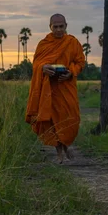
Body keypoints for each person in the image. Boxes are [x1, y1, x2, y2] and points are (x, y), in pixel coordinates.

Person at [25, 14, 86, 164]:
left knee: (71, 119)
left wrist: (71, 72)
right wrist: (43, 68)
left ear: (66, 26)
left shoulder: (73, 42)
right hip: (49, 89)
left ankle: (66, 145)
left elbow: (80, 62)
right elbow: (36, 65)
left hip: (66, 87)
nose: (58, 30)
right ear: (50, 27)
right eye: (55, 27)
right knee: (52, 121)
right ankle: (59, 153)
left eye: (61, 26)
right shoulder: (44, 44)